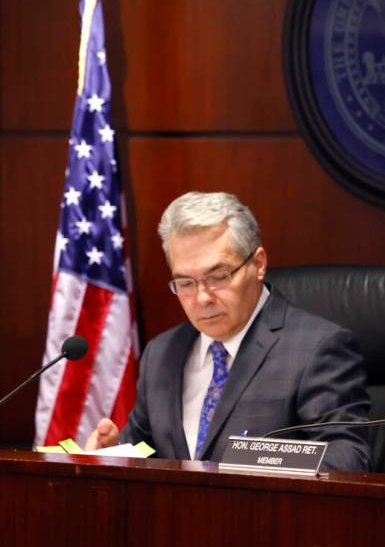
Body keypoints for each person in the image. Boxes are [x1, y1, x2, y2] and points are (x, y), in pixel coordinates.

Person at [86, 191, 370, 471]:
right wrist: (113, 456)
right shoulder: (161, 353)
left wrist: (256, 464)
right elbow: (146, 453)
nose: (202, 298)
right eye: (185, 283)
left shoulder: (317, 349)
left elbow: (347, 460)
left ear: (258, 264)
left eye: (219, 277)